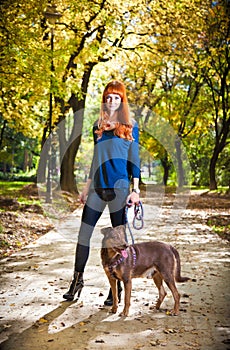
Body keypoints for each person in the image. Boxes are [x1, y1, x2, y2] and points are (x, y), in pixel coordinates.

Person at [63, 80, 140, 305]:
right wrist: (87, 187)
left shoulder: (130, 125)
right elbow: (97, 160)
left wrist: (135, 190)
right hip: (98, 187)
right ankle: (77, 281)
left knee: (117, 241)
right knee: (83, 235)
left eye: (116, 97)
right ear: (104, 100)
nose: (111, 101)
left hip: (119, 189)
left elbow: (134, 160)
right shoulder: (98, 126)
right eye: (108, 97)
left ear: (122, 100)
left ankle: (114, 286)